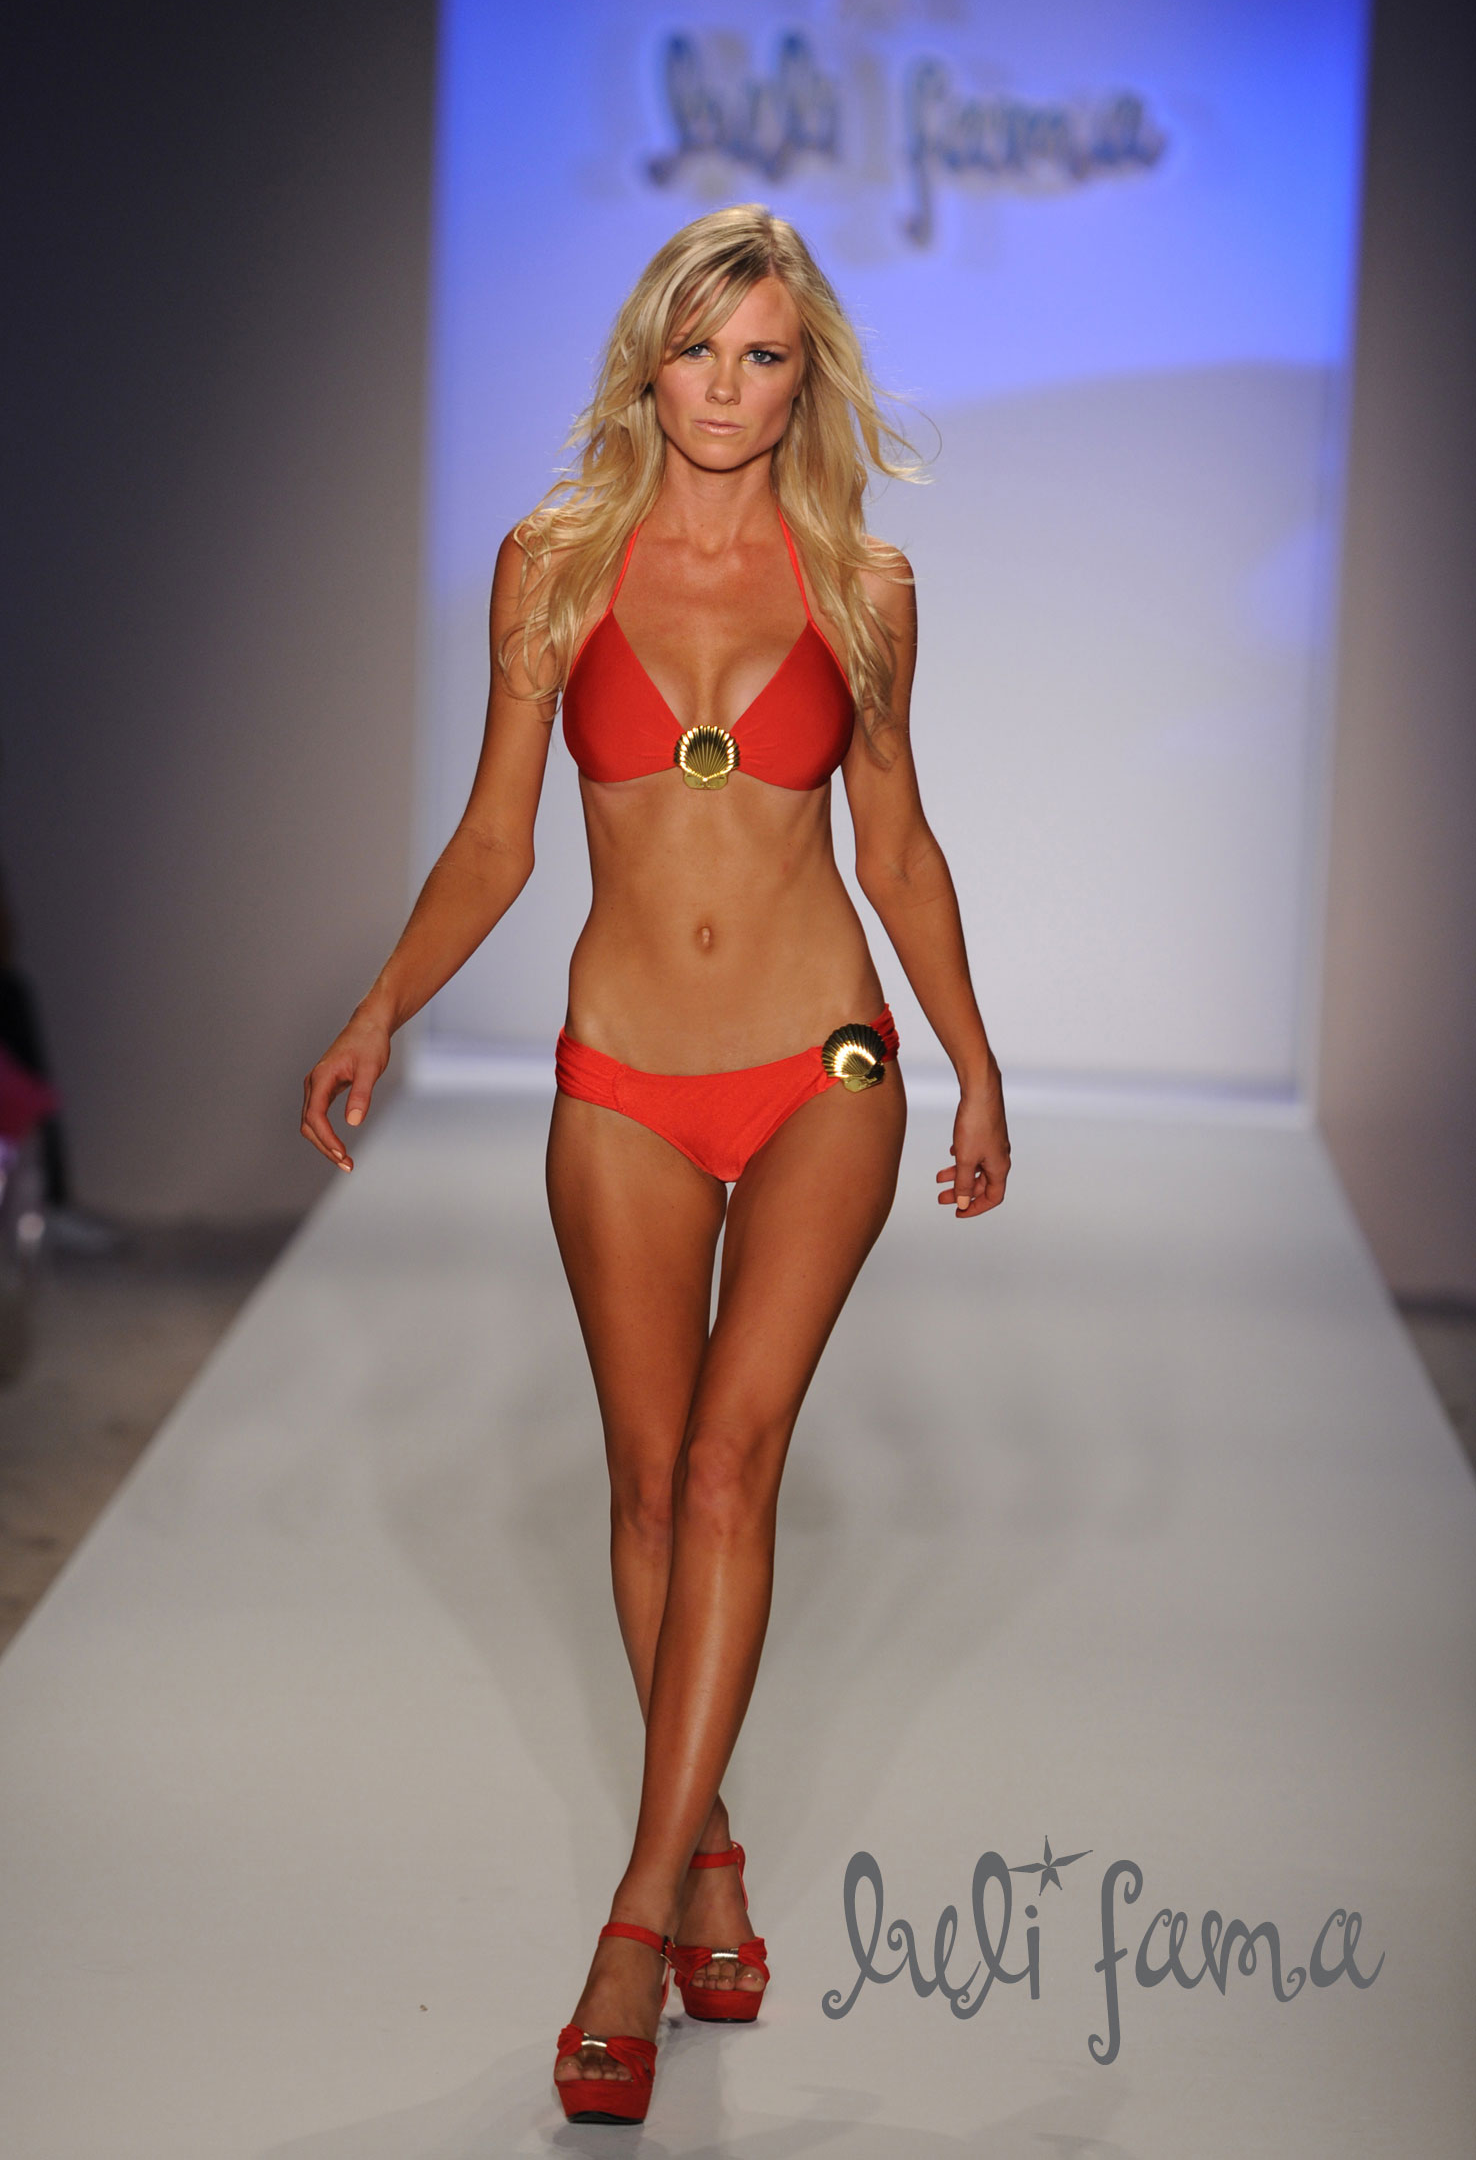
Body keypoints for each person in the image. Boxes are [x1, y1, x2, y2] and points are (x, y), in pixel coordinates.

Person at [300, 204, 1009, 2128]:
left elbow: (897, 848)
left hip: (822, 1066)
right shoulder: (552, 564)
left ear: (803, 381)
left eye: (763, 355)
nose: (724, 385)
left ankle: (629, 1924)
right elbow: (496, 839)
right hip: (621, 1078)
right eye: (699, 347)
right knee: (639, 1477)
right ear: (648, 358)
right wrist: (378, 1007)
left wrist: (970, 1061)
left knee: (724, 1464)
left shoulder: (866, 584)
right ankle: (710, 1858)